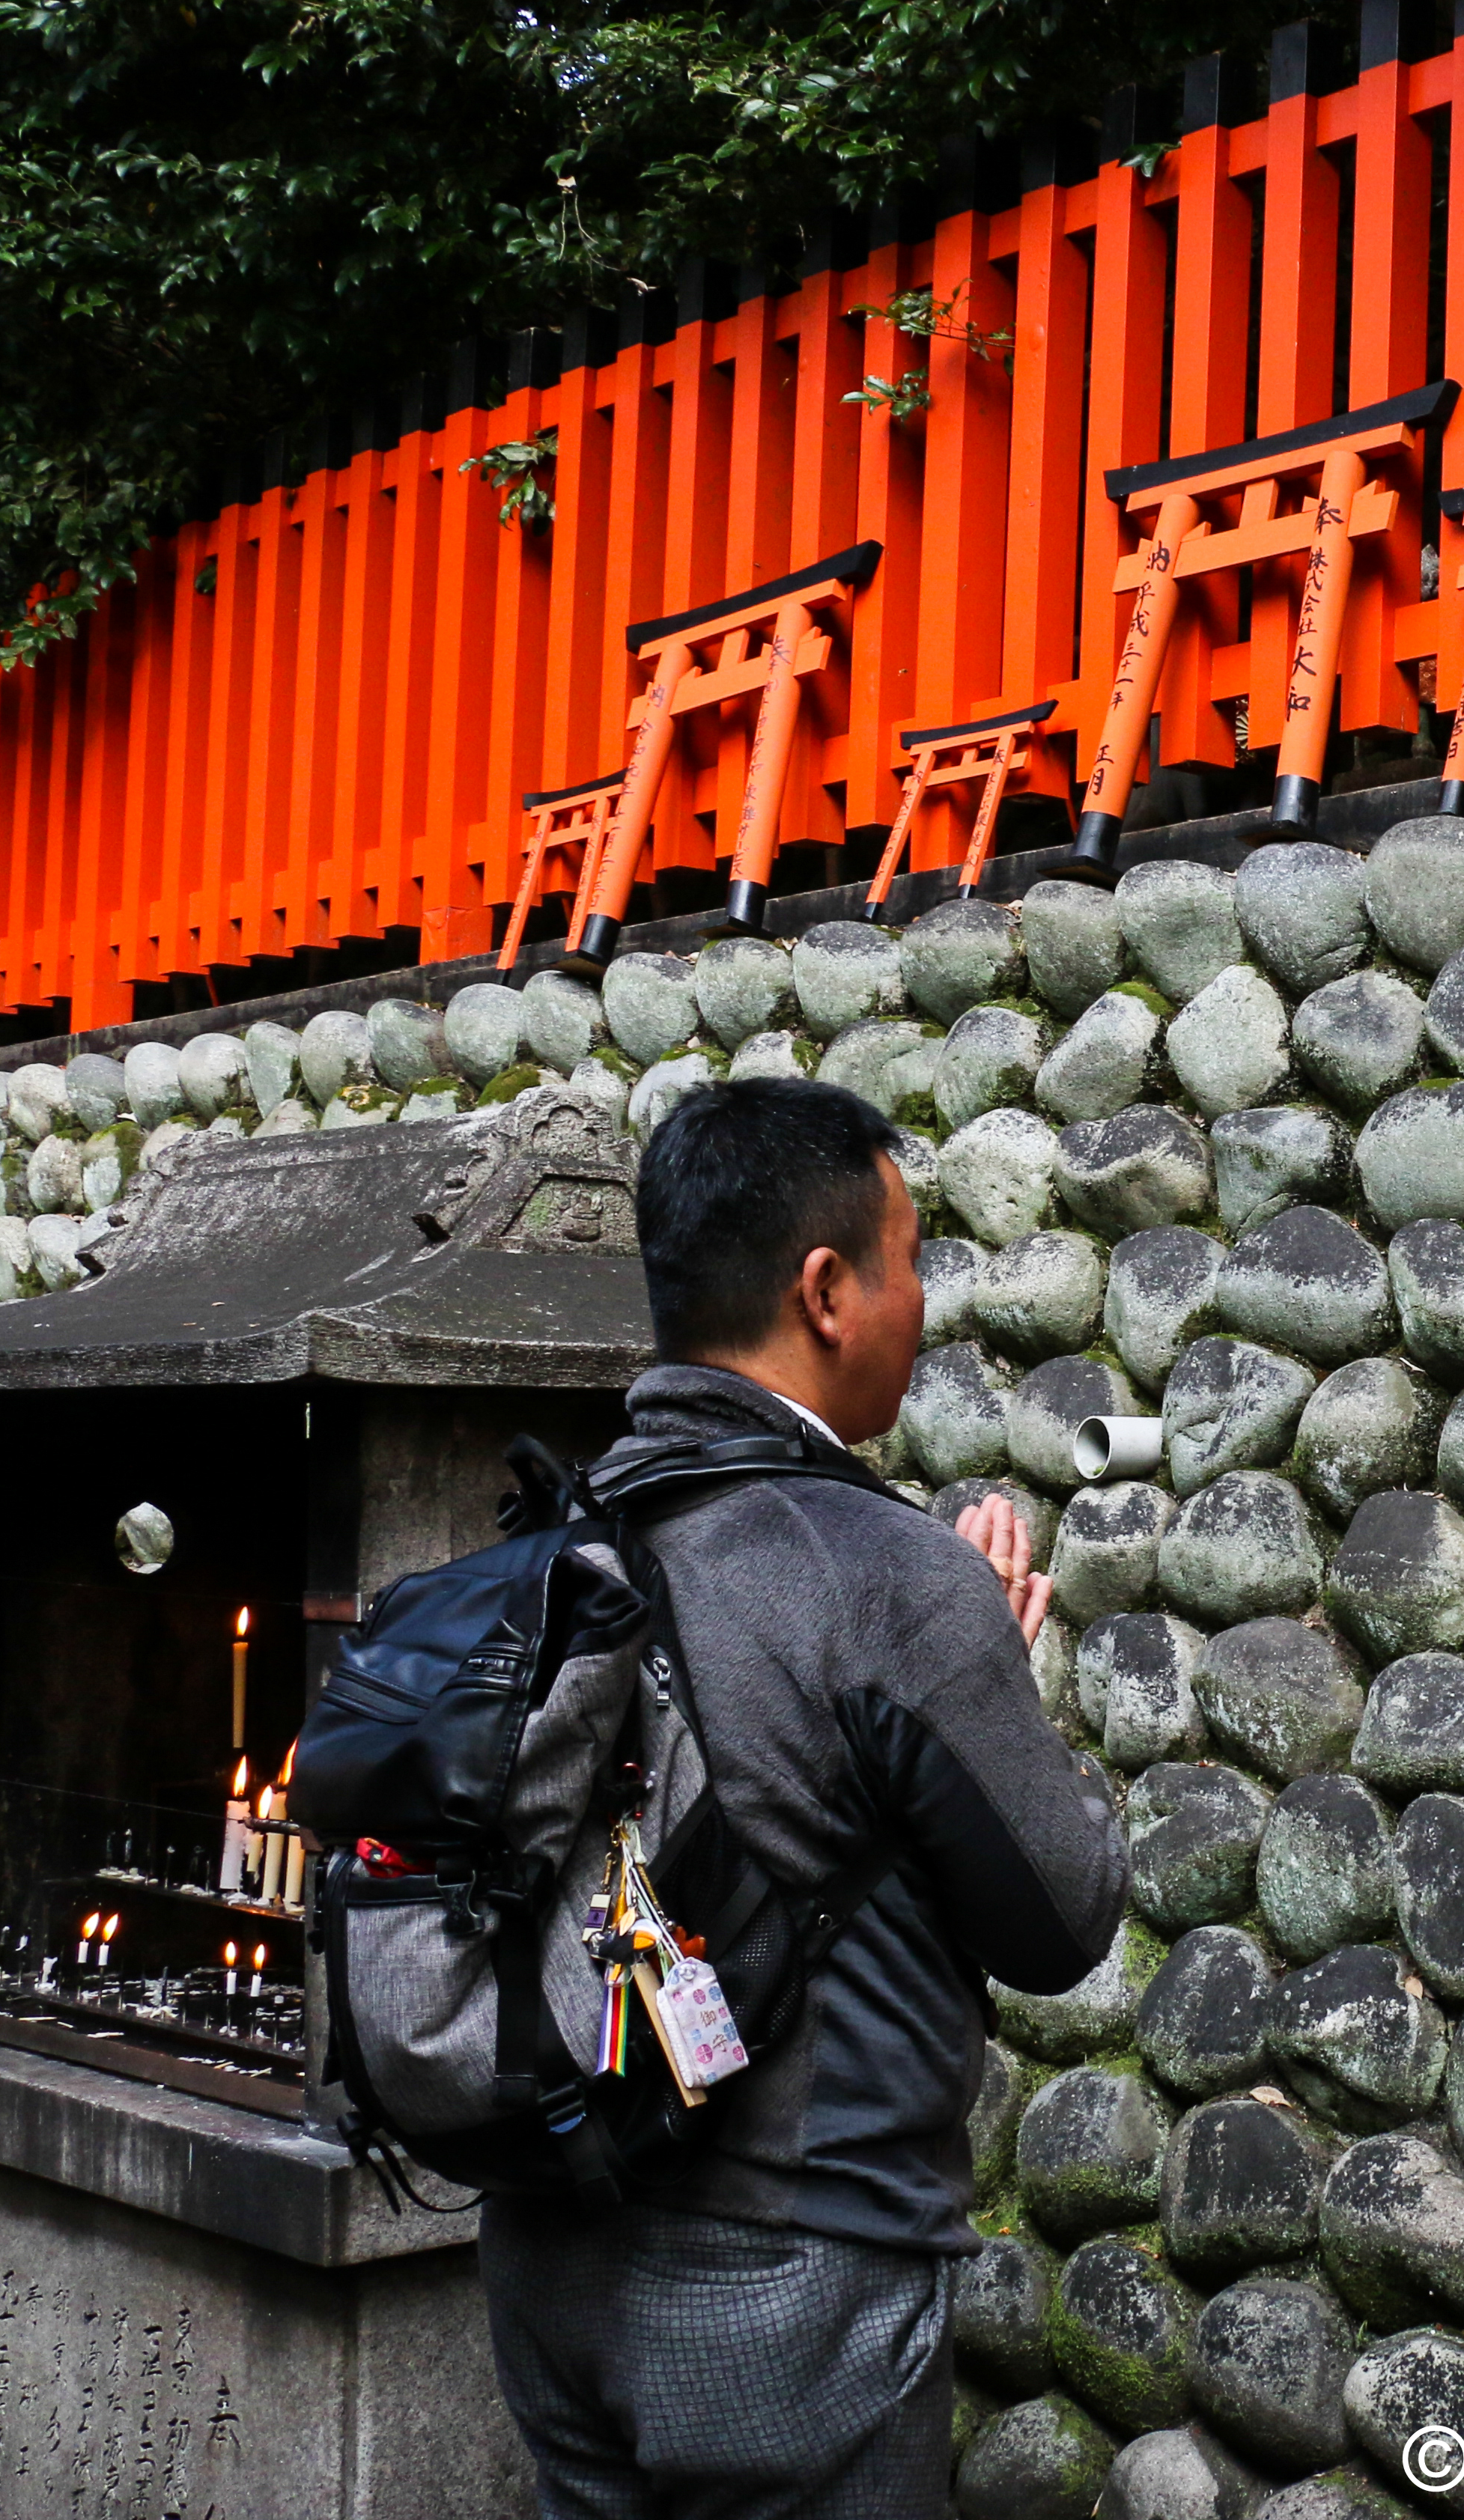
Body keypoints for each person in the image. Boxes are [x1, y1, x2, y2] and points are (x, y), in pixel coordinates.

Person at [476, 1074, 1124, 2517]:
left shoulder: (553, 1545)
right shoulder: (888, 1576)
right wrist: (997, 1687)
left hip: (549, 2255)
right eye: (910, 1263)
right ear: (827, 1290)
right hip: (792, 2280)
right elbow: (1061, 1919)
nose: (921, 1303)